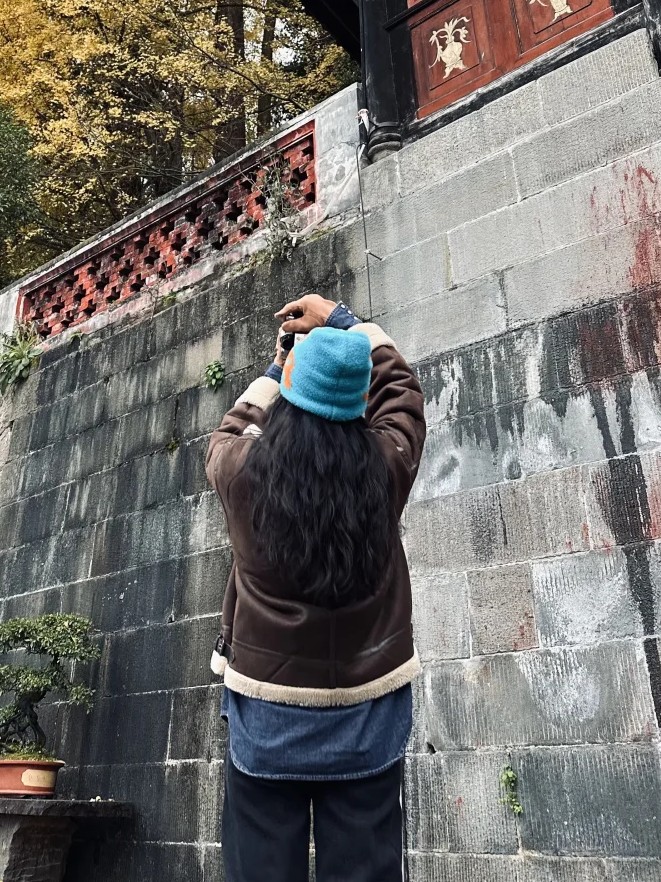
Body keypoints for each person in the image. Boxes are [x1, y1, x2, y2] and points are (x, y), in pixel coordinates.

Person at [206, 292, 426, 882]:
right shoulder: (386, 465)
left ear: (292, 398)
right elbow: (402, 393)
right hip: (367, 717)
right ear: (358, 405)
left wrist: (280, 367)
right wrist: (343, 320)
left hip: (267, 716)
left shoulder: (242, 474)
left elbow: (232, 427)